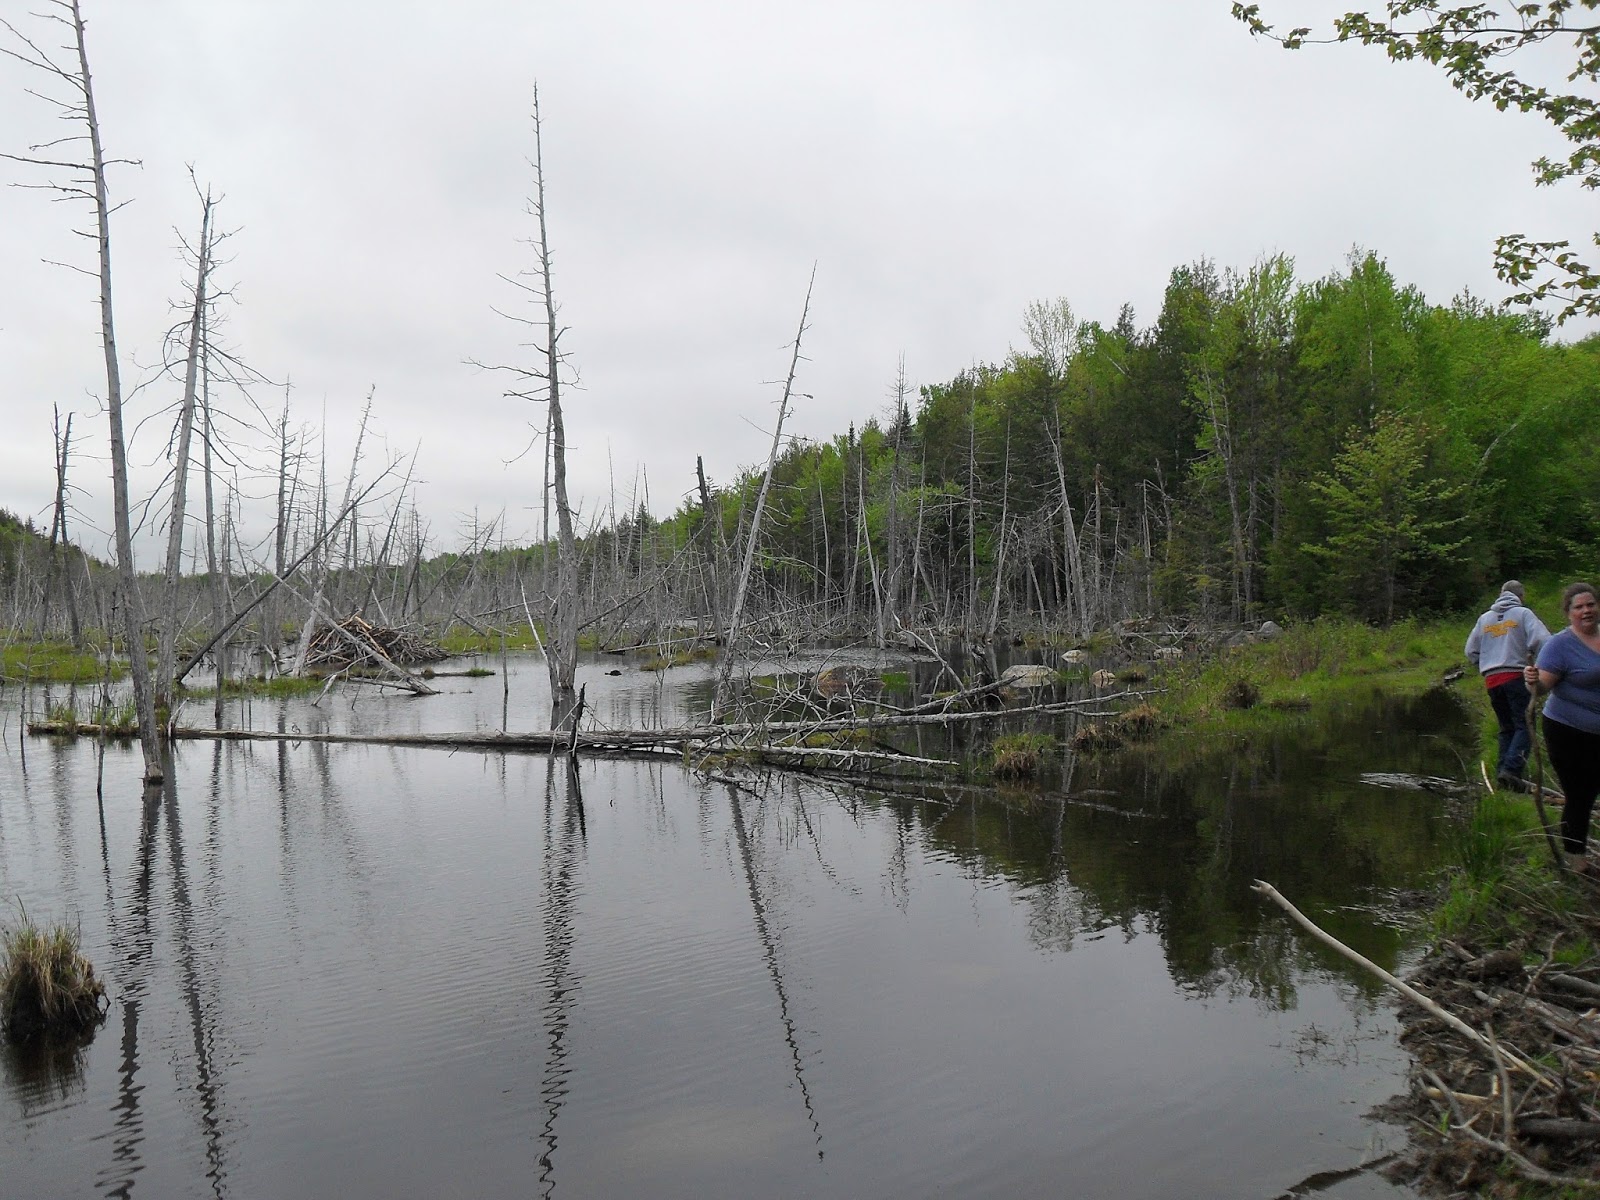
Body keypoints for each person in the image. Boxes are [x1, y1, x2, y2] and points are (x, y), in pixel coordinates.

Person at [1527, 582, 1600, 873]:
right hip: (1568, 731)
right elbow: (1542, 687)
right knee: (1581, 793)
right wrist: (1532, 681)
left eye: (1590, 604)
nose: (1586, 611)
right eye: (1579, 607)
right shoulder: (1559, 645)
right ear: (1568, 613)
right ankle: (1576, 862)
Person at [1465, 580, 1551, 790]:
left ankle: (1502, 776)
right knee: (1525, 724)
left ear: (1501, 594)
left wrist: (1484, 664)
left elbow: (1470, 651)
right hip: (1515, 675)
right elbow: (1544, 640)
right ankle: (1512, 771)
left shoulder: (1485, 618)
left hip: (1492, 680)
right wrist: (1543, 664)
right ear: (1521, 597)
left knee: (1507, 728)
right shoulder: (1523, 614)